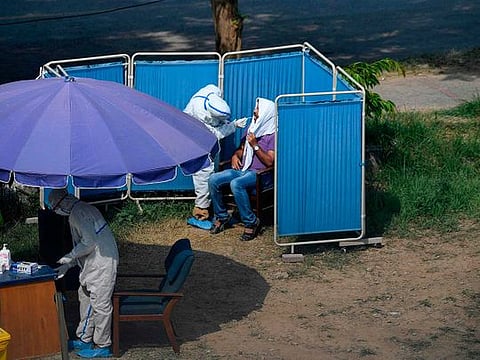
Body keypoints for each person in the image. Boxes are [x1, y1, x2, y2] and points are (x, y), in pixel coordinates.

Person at [48, 188, 119, 359]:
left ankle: (103, 344)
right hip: (94, 262)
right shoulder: (83, 209)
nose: (56, 211)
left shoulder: (77, 214)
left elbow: (88, 243)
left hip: (102, 264)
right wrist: (70, 264)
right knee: (86, 298)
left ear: (62, 203)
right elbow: (85, 245)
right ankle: (84, 337)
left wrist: (69, 257)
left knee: (100, 305)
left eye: (54, 207)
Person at [208, 97, 276, 241]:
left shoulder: (273, 135)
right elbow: (241, 150)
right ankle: (222, 216)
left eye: (257, 109)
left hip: (259, 174)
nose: (254, 111)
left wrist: (255, 145)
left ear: (266, 113)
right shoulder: (252, 128)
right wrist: (235, 155)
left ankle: (251, 222)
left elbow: (270, 162)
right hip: (244, 169)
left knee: (236, 183)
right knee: (214, 179)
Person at [183, 84, 247, 221]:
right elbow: (215, 133)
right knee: (203, 174)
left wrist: (227, 123)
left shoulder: (213, 92)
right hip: (196, 141)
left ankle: (208, 208)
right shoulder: (199, 113)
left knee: (210, 174)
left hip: (205, 143)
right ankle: (201, 211)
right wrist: (233, 126)